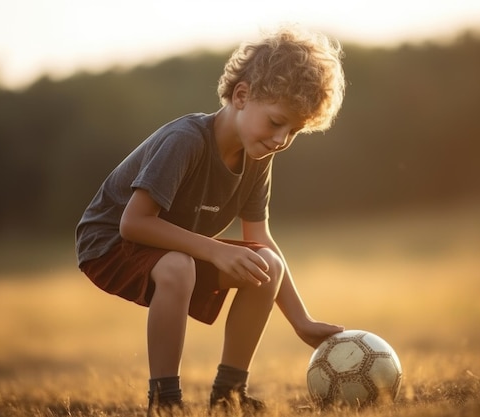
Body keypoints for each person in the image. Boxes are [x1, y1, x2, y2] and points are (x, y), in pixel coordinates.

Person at [75, 25, 346, 416]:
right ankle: (165, 401)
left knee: (264, 266)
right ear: (241, 95)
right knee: (178, 266)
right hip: (109, 245)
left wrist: (300, 320)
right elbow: (133, 224)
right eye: (276, 122)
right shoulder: (187, 140)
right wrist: (214, 250)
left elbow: (262, 240)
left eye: (295, 131)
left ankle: (229, 395)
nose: (281, 139)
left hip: (169, 249)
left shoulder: (258, 157)